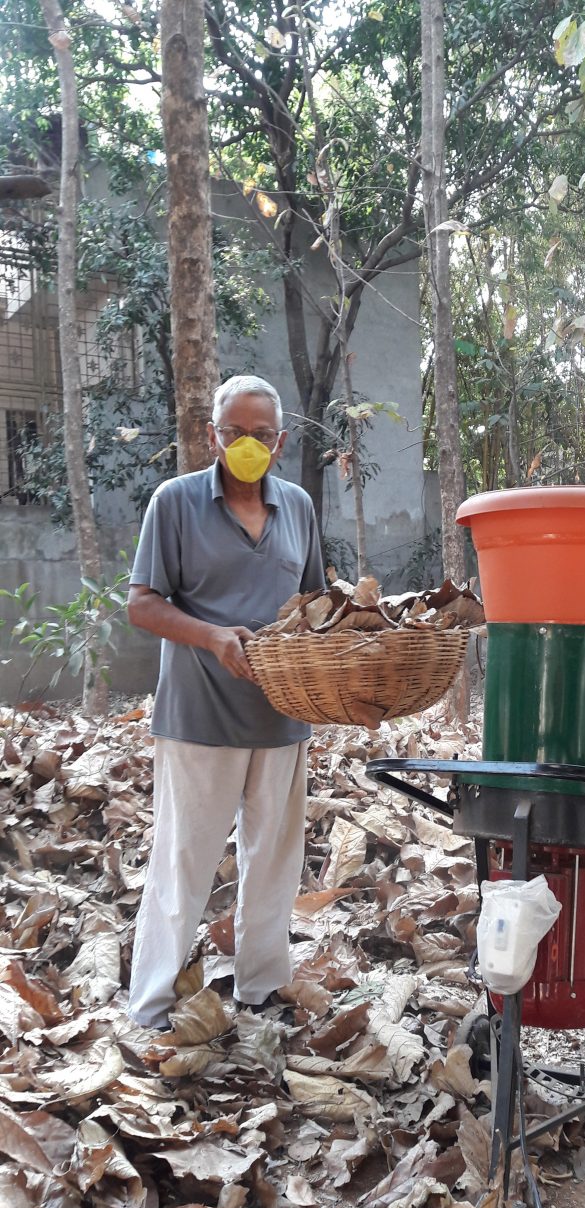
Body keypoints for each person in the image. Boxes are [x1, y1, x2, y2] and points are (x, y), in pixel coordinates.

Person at [126, 374, 325, 1029]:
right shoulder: (175, 503)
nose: (247, 444)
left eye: (261, 434)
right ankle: (152, 1004)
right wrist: (212, 637)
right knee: (184, 861)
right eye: (234, 432)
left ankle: (261, 988)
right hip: (200, 715)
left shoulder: (296, 506)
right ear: (212, 435)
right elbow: (142, 603)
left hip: (282, 716)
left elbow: (317, 604)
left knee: (273, 862)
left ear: (281, 441)